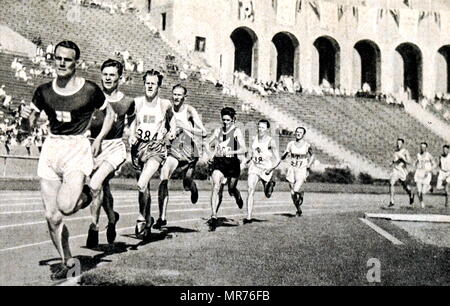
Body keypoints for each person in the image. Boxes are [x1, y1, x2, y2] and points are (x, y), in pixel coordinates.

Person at [20, 41, 115, 280]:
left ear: (76, 63)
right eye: (58, 58)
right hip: (52, 148)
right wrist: (24, 120)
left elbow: (110, 114)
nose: (61, 63)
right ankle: (68, 262)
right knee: (52, 216)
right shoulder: (43, 91)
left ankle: (89, 192)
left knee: (66, 206)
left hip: (76, 148)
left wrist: (98, 139)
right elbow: (27, 126)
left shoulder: (90, 90)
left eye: (67, 59)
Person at [85, 59, 136, 248]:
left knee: (95, 183)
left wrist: (133, 139)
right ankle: (112, 218)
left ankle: (94, 227)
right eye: (105, 74)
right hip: (95, 148)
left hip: (115, 148)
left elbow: (132, 125)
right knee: (102, 188)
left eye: (112, 74)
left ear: (119, 77)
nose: (107, 78)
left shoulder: (127, 102)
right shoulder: (93, 99)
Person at [129, 69, 176, 241]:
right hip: (138, 149)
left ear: (158, 86)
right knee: (144, 188)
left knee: (142, 183)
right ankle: (147, 219)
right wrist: (132, 135)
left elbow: (173, 123)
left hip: (156, 149)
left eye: (153, 83)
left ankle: (142, 217)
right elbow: (132, 124)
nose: (149, 86)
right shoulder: (137, 102)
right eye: (147, 83)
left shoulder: (164, 105)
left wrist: (171, 133)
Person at [154, 84, 207, 229]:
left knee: (187, 181)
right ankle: (162, 217)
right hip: (173, 148)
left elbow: (203, 132)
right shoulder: (168, 109)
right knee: (164, 175)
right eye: (174, 94)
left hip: (188, 148)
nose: (176, 97)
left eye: (179, 95)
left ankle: (193, 186)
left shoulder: (189, 110)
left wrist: (184, 127)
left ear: (185, 96)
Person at [204, 107, 246, 231]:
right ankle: (213, 215)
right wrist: (210, 154)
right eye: (223, 120)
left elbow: (244, 149)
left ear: (233, 120)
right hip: (220, 162)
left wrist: (230, 151)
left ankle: (237, 196)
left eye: (228, 120)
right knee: (216, 186)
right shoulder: (218, 130)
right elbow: (207, 143)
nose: (225, 122)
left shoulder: (237, 131)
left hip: (232, 163)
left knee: (231, 189)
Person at [270, 127, 314, 216]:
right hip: (292, 169)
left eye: (300, 132)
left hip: (301, 169)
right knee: (292, 193)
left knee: (296, 189)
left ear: (303, 134)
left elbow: (312, 155)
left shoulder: (307, 145)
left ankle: (301, 194)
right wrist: (281, 157)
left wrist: (309, 165)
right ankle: (298, 210)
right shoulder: (291, 144)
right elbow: (285, 154)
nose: (298, 134)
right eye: (297, 132)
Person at [242, 119, 279, 224]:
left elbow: (278, 159)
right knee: (250, 189)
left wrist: (271, 169)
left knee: (267, 195)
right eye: (259, 127)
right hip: (254, 167)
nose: (260, 129)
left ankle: (270, 184)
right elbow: (250, 153)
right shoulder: (254, 138)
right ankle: (248, 217)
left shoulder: (271, 141)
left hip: (266, 169)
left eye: (263, 127)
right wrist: (245, 162)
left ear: (267, 129)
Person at [388, 138, 414, 207]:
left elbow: (409, 162)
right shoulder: (395, 151)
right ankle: (392, 201)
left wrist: (403, 159)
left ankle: (411, 194)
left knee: (405, 186)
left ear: (402, 144)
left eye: (399, 143)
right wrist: (391, 162)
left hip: (402, 171)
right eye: (397, 143)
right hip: (395, 170)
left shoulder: (405, 151)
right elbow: (395, 160)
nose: (398, 144)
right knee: (391, 183)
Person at [414, 142, 436, 208]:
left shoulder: (428, 155)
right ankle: (422, 203)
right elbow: (416, 162)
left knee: (423, 191)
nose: (422, 148)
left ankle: (429, 187)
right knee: (418, 190)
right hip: (419, 173)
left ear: (426, 148)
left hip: (426, 173)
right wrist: (415, 166)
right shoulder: (418, 155)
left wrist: (429, 170)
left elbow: (434, 164)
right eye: (421, 147)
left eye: (424, 147)